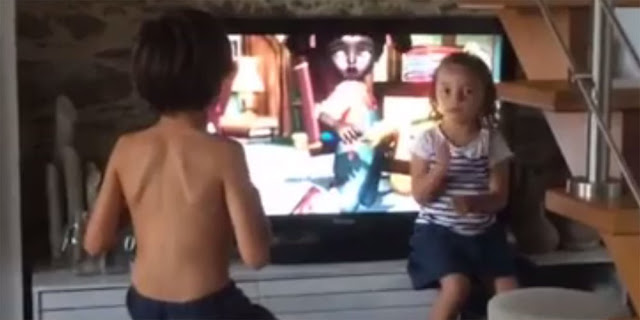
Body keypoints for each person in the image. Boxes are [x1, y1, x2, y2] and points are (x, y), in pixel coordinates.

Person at [83, 7, 275, 320]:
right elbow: (256, 256)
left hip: (144, 305)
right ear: (220, 80)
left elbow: (95, 243)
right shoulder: (225, 154)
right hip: (207, 309)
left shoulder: (126, 148)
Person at [407, 52, 519, 320]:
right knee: (457, 288)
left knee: (511, 293)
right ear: (434, 95)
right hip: (438, 233)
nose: (455, 99)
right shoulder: (428, 139)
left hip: (485, 235)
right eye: (446, 90)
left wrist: (475, 203)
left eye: (467, 92)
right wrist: (440, 171)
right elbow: (420, 196)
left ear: (484, 99)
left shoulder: (492, 141)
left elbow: (500, 197)